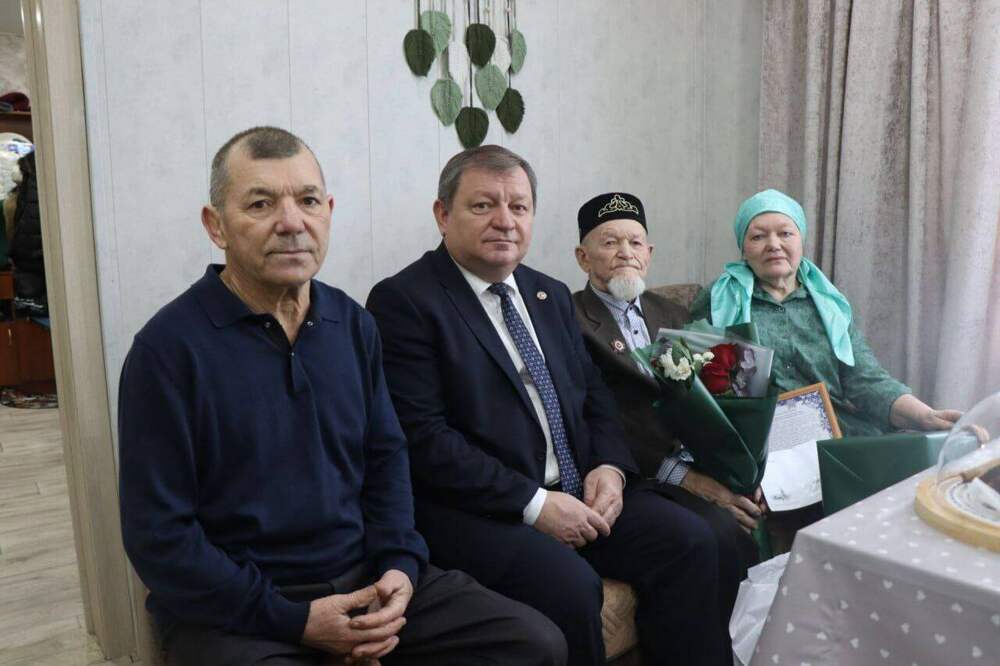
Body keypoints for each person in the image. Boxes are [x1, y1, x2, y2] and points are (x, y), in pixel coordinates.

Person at [118, 127, 566, 666]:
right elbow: (159, 538)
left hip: (365, 579)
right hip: (241, 610)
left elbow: (386, 461)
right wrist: (296, 620)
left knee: (534, 645)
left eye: (308, 201)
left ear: (328, 211)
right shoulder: (167, 350)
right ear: (216, 225)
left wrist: (399, 566)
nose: (291, 222)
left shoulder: (353, 325)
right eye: (261, 204)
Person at [366, 146, 727, 666]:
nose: (504, 221)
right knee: (572, 586)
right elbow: (424, 439)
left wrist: (610, 467)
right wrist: (534, 504)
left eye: (519, 207)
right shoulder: (405, 301)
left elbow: (594, 395)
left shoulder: (548, 294)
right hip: (485, 509)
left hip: (578, 488)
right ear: (443, 215)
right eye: (483, 205)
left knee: (692, 540)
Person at [572, 191, 760, 657]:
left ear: (650, 253)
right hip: (632, 470)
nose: (625, 253)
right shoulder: (570, 319)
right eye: (610, 242)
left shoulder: (675, 312)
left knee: (742, 526)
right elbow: (600, 417)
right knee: (710, 534)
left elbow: (714, 398)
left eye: (635, 242)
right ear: (583, 257)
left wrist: (738, 466)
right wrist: (690, 479)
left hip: (688, 457)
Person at [690, 188, 960, 437]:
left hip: (834, 431)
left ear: (801, 240)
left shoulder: (829, 305)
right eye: (758, 236)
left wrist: (925, 416)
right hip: (758, 439)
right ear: (743, 248)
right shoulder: (718, 299)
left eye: (785, 233)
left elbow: (865, 380)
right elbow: (697, 383)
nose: (773, 244)